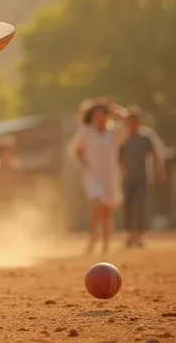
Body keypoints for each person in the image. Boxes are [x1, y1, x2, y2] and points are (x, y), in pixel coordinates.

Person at [69, 97, 128, 254]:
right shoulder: (86, 132)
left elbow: (127, 121)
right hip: (93, 175)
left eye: (102, 114)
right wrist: (86, 164)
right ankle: (93, 239)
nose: (99, 118)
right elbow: (75, 150)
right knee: (95, 205)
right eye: (96, 115)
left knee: (106, 211)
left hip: (110, 175)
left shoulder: (113, 133)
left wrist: (113, 108)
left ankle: (106, 243)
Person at [118, 106, 166, 248]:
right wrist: (121, 172)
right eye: (130, 121)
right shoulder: (124, 140)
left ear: (140, 122)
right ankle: (129, 236)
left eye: (135, 121)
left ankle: (138, 236)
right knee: (127, 207)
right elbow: (118, 158)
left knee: (139, 206)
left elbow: (155, 155)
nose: (132, 124)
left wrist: (160, 171)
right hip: (128, 179)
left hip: (143, 179)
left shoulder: (145, 138)